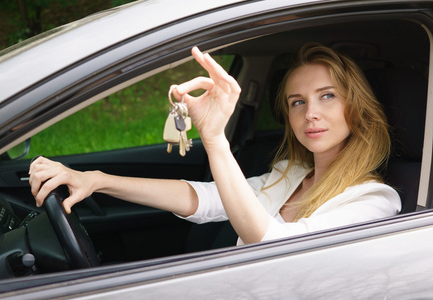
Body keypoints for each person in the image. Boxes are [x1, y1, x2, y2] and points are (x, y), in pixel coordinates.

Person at [29, 43, 401, 245]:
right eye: (297, 102)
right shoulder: (291, 174)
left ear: (357, 107)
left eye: (327, 96)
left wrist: (214, 138)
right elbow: (206, 200)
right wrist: (97, 179)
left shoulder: (374, 201)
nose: (310, 114)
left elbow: (272, 243)